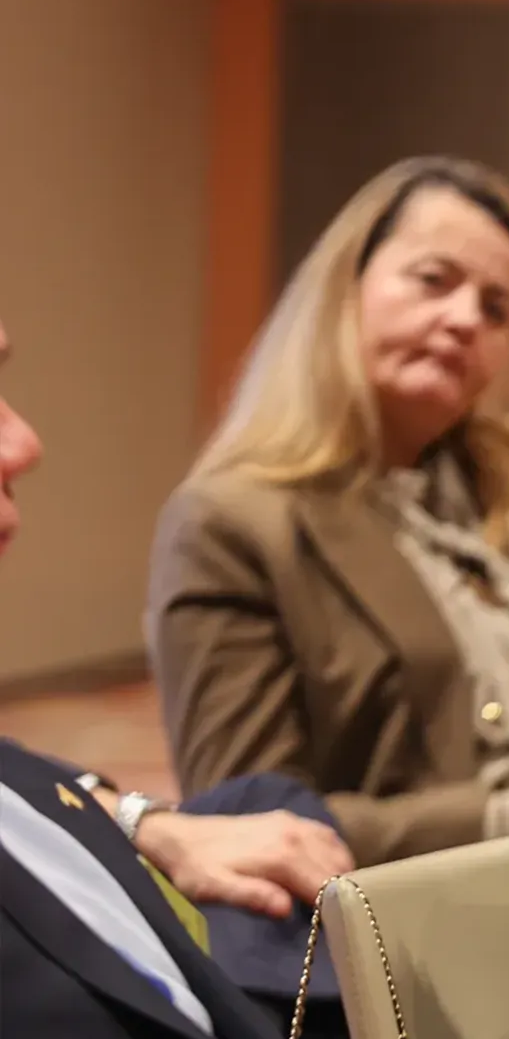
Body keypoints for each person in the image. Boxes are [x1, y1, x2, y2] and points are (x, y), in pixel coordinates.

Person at [147, 156, 509, 870]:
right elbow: (249, 822)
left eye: (496, 307)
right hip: (457, 918)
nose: (465, 318)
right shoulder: (233, 525)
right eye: (435, 281)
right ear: (345, 287)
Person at [0, 318, 353, 1039]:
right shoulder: (234, 519)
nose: (25, 445)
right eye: (433, 280)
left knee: (270, 812)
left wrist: (143, 821)